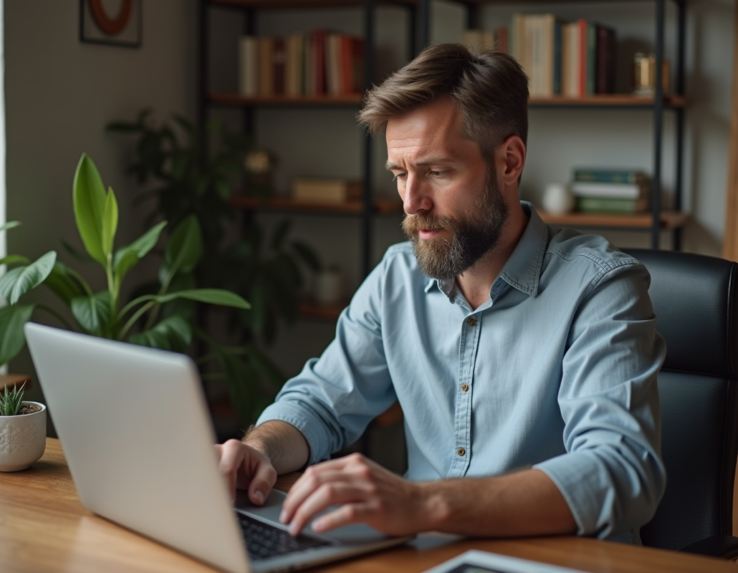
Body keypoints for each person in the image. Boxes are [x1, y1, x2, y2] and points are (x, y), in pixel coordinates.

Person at [216, 43, 666, 544]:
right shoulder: (396, 277)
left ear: (509, 162)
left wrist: (423, 503)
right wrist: (259, 449)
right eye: (400, 174)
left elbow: (623, 472)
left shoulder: (601, 287)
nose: (412, 203)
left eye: (437, 171)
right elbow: (320, 404)